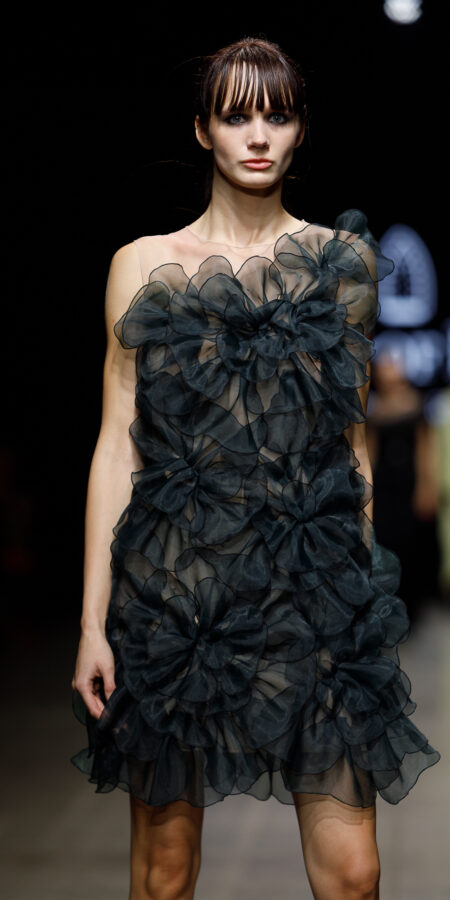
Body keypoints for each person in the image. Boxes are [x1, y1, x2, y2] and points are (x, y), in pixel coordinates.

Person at [71, 36, 441, 900]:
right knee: (165, 874)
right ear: (203, 129)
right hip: (177, 595)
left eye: (278, 114)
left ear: (302, 128)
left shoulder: (340, 266)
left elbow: (350, 442)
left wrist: (361, 598)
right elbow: (117, 443)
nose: (259, 134)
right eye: (236, 115)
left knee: (354, 874)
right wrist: (92, 623)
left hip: (311, 591)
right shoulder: (143, 265)